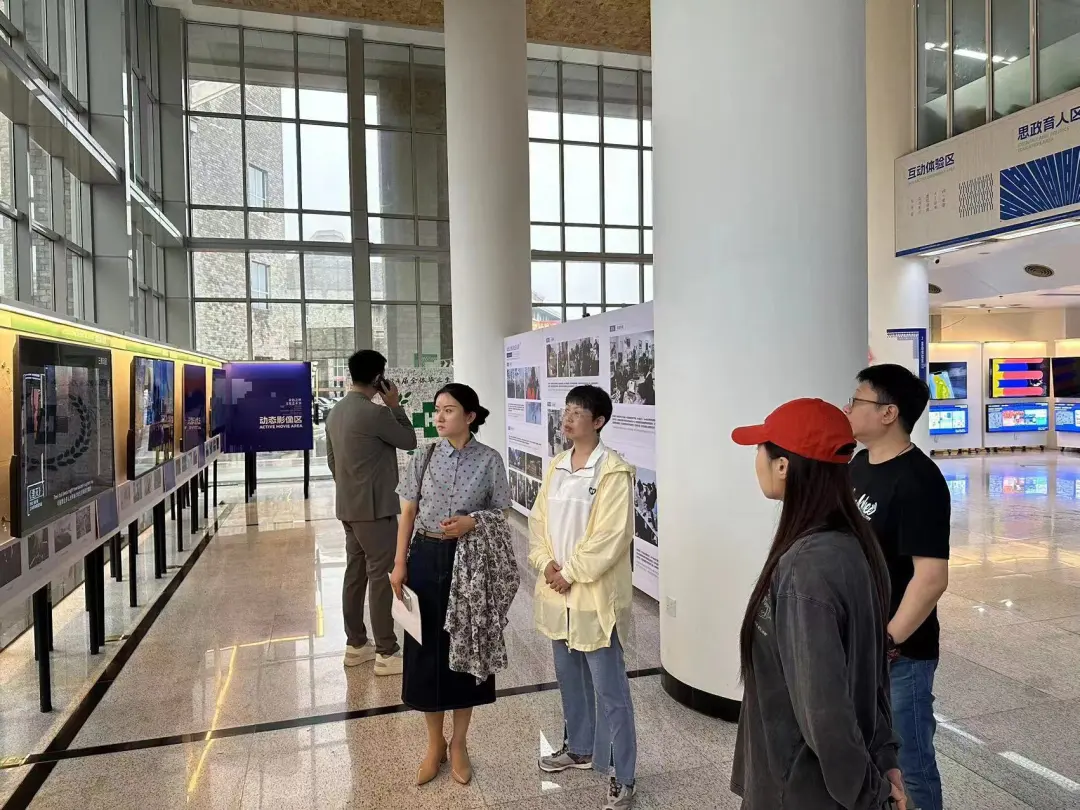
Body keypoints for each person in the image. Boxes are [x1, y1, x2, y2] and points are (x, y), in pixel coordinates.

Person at [729, 398, 906, 810]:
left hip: (800, 791)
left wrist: (868, 794)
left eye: (760, 448)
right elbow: (871, 673)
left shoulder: (805, 568)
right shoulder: (856, 543)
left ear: (783, 466)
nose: (756, 460)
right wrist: (884, 759)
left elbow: (824, 712)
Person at [391, 383, 512, 787]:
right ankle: (434, 745)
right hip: (425, 559)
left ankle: (459, 743)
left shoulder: (489, 460)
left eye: (449, 410)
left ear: (470, 416)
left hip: (469, 563)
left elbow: (502, 512)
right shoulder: (423, 456)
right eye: (437, 410)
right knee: (426, 652)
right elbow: (408, 512)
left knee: (465, 649)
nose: (439, 417)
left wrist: (472, 522)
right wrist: (399, 564)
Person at [846, 364, 951, 810]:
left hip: (900, 655)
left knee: (910, 765)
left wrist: (888, 642)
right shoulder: (858, 465)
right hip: (861, 644)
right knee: (873, 757)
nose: (847, 408)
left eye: (857, 400)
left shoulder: (919, 481)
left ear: (888, 413)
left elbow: (931, 578)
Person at [529, 385, 638, 810]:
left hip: (593, 597)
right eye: (567, 411)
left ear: (599, 421)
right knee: (570, 679)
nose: (568, 418)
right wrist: (546, 564)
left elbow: (611, 537)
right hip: (559, 594)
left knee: (610, 691)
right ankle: (579, 748)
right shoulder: (556, 465)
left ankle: (622, 775)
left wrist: (570, 573)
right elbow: (539, 522)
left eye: (577, 412)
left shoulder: (613, 472)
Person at [325, 350, 417, 674]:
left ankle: (356, 645)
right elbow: (409, 440)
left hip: (348, 507)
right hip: (375, 509)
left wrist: (351, 489)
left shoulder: (335, 412)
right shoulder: (376, 414)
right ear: (379, 378)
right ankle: (386, 652)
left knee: (355, 573)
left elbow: (332, 462)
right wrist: (395, 405)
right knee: (381, 576)